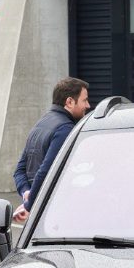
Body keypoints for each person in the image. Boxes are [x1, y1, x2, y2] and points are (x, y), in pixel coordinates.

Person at [11, 78, 90, 223]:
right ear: (70, 102)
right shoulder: (65, 129)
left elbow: (19, 170)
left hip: (42, 214)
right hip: (56, 211)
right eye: (84, 100)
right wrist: (29, 205)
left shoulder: (40, 124)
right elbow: (46, 171)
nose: (88, 105)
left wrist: (26, 192)